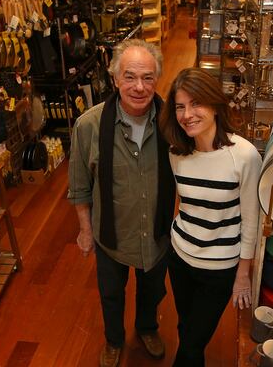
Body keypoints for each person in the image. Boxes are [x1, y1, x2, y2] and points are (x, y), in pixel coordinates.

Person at [67, 39, 176, 367]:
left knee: (153, 289)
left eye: (147, 78)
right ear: (114, 78)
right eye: (130, 77)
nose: (139, 87)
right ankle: (114, 340)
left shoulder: (172, 123)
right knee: (111, 294)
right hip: (110, 235)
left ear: (157, 79)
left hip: (156, 233)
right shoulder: (90, 125)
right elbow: (79, 185)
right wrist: (85, 230)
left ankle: (146, 328)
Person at [158, 68, 262, 367]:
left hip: (219, 268)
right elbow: (186, 205)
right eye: (180, 106)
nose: (187, 114)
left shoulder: (244, 155)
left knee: (192, 342)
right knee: (186, 327)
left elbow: (251, 222)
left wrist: (242, 275)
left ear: (215, 105)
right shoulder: (177, 153)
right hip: (180, 257)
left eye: (196, 104)